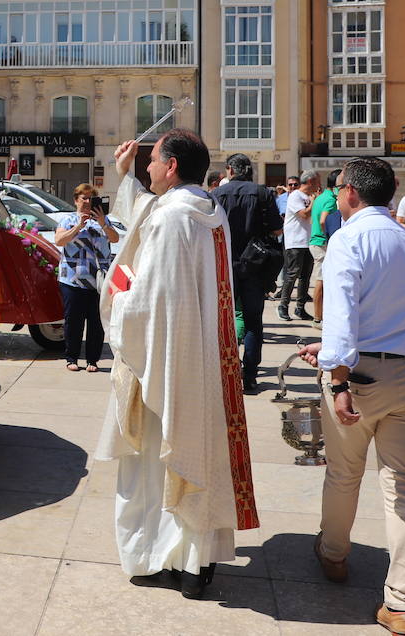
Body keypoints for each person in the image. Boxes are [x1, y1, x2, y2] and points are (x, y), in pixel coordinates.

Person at [94, 129, 259, 600]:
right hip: (206, 354)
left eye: (151, 162)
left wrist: (116, 294)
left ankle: (154, 558)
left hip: (167, 361)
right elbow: (143, 211)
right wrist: (124, 174)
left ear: (170, 166)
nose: (146, 167)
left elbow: (150, 302)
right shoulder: (210, 211)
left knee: (153, 464)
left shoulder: (171, 220)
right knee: (200, 453)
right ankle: (196, 564)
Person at [298, 157, 405, 636]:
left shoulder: (348, 237)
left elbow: (339, 314)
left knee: (344, 473)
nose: (337, 195)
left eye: (339, 188)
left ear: (352, 192)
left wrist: (337, 379)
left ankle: (334, 553)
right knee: (404, 487)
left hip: (363, 375)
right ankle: (400, 603)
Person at [211, 153, 284, 393]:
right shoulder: (263, 193)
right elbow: (276, 230)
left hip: (224, 266)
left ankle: (224, 371)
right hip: (254, 266)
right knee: (253, 322)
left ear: (230, 170)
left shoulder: (216, 195)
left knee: (223, 320)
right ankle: (250, 375)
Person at [53, 183, 119, 372]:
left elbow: (115, 239)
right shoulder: (68, 220)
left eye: (92, 199)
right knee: (73, 321)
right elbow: (59, 241)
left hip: (98, 281)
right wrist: (77, 227)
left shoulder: (104, 220)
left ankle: (92, 360)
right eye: (84, 198)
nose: (88, 202)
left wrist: (103, 223)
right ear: (76, 200)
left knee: (96, 322)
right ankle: (71, 358)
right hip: (72, 280)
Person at [279, 171, 318, 321]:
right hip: (295, 240)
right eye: (317, 181)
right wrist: (314, 202)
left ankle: (300, 308)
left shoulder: (308, 197)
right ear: (310, 181)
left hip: (308, 241)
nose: (318, 185)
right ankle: (283, 306)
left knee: (305, 276)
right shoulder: (295, 196)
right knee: (292, 274)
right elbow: (304, 214)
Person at [306, 169, 342, 327]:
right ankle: (317, 318)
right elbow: (323, 220)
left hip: (316, 240)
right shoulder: (330, 199)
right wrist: (330, 237)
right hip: (322, 243)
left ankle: (320, 316)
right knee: (321, 280)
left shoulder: (321, 197)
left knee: (323, 279)